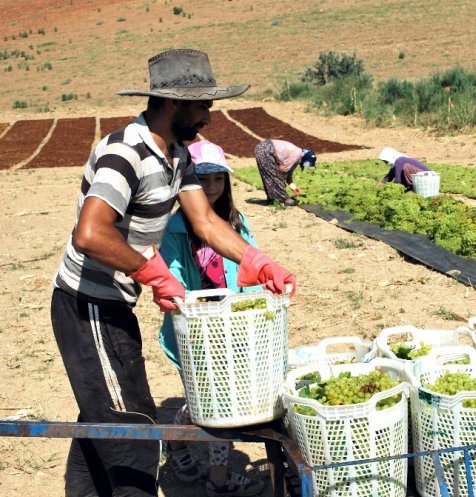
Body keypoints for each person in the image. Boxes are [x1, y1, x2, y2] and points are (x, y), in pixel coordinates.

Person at [50, 48, 295, 497]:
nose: (209, 114)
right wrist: (153, 273)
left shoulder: (176, 154)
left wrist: (257, 261)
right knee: (132, 433)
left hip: (114, 304)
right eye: (202, 103)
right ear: (172, 103)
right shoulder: (125, 153)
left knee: (101, 415)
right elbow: (90, 233)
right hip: (87, 308)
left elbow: (205, 221)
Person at [158, 139, 264, 497]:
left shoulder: (236, 221)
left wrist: (254, 306)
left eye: (218, 178)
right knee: (209, 400)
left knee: (222, 401)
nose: (212, 187)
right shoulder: (174, 229)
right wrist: (185, 301)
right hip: (193, 330)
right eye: (203, 180)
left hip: (231, 327)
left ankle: (205, 467)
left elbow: (247, 267)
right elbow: (172, 273)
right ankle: (179, 449)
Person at [254, 139, 316, 206]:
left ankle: (273, 199)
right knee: (276, 175)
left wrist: (293, 187)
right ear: (305, 158)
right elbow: (282, 169)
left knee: (269, 176)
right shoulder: (296, 155)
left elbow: (289, 172)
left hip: (262, 148)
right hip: (266, 149)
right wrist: (281, 181)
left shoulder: (298, 154)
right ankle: (285, 199)